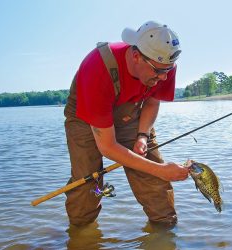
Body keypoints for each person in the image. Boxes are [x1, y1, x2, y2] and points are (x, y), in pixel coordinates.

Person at [63, 21, 189, 227]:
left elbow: (152, 101)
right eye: (158, 72)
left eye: (168, 70)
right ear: (136, 55)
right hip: (84, 115)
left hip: (130, 111)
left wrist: (142, 135)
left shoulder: (163, 63)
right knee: (87, 181)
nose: (164, 77)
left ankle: (165, 232)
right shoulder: (97, 68)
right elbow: (108, 147)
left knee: (152, 172)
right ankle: (81, 234)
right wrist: (163, 170)